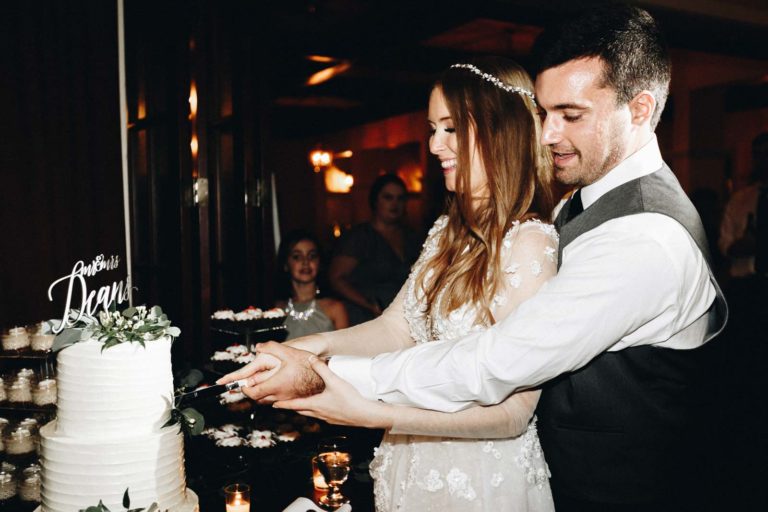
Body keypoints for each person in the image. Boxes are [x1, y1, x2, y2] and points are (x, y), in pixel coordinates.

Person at [221, 5, 730, 512]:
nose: (548, 133)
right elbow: (399, 326)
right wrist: (309, 348)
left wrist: (343, 386)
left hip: (605, 489)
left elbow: (500, 364)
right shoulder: (569, 203)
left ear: (639, 110)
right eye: (545, 114)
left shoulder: (642, 236)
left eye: (570, 115)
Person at [226, 57, 559, 510]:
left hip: (482, 479)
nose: (434, 144)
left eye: (450, 128)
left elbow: (514, 415)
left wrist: (372, 413)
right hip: (409, 460)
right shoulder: (446, 232)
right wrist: (310, 347)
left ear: (500, 130)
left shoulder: (530, 244)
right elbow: (394, 327)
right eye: (432, 127)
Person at [329, 173, 421, 325]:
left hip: (403, 318)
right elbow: (336, 278)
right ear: (375, 200)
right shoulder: (360, 237)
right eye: (388, 197)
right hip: (365, 317)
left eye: (400, 198)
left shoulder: (412, 237)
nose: (395, 203)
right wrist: (369, 304)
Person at [275, 229, 348, 339]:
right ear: (285, 264)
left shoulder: (335, 308)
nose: (305, 262)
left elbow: (345, 351)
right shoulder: (278, 309)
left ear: (319, 263)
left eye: (312, 256)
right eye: (297, 257)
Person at [719, 132, 768, 277]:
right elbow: (724, 243)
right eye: (757, 155)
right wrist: (739, 247)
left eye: (767, 154)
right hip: (745, 282)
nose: (762, 160)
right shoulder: (740, 200)